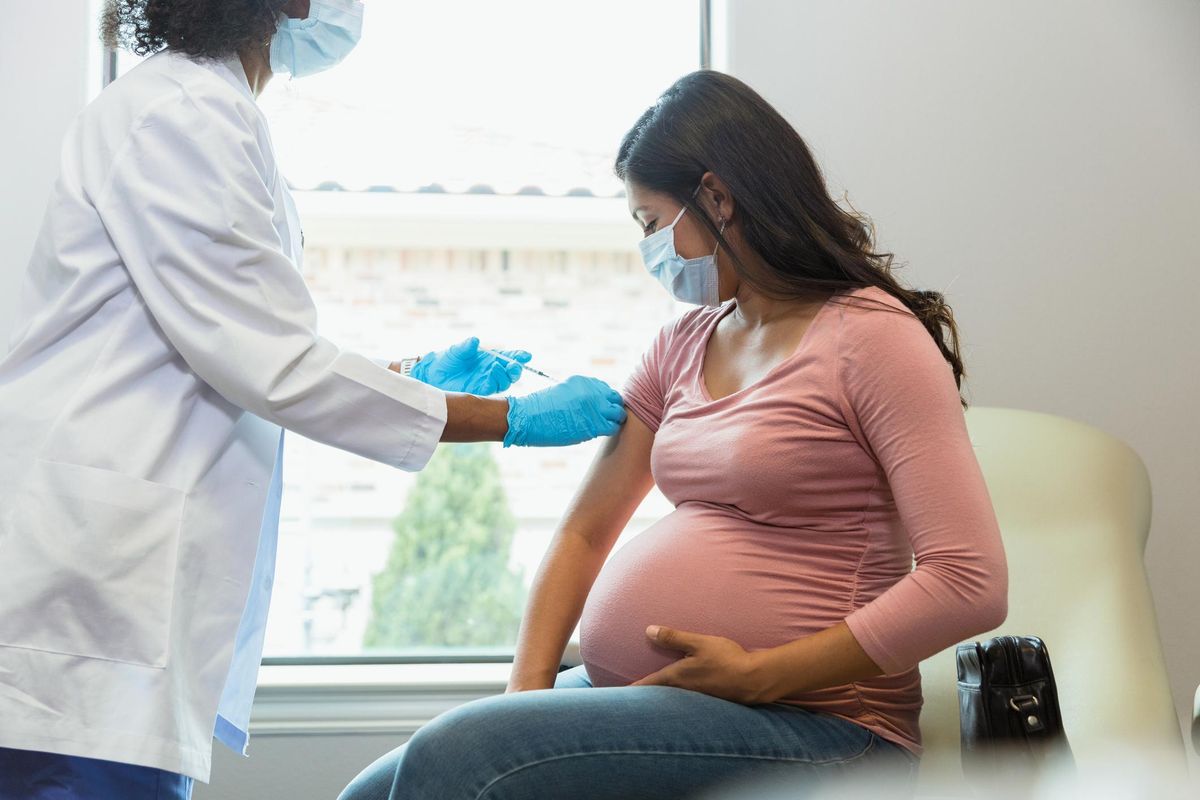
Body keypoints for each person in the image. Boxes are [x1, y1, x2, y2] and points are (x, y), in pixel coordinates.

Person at [0, 1, 625, 798]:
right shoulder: (180, 115)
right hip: (86, 596)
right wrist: (511, 421)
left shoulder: (212, 111)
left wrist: (409, 377)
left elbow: (242, 341)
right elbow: (272, 363)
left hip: (115, 585)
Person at [338, 70, 1010, 800]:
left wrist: (761, 673)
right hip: (657, 701)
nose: (649, 248)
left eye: (652, 222)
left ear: (718, 198)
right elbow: (583, 535)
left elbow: (968, 583)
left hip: (822, 726)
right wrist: (525, 697)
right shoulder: (682, 343)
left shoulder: (871, 338)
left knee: (457, 758)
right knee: (376, 791)